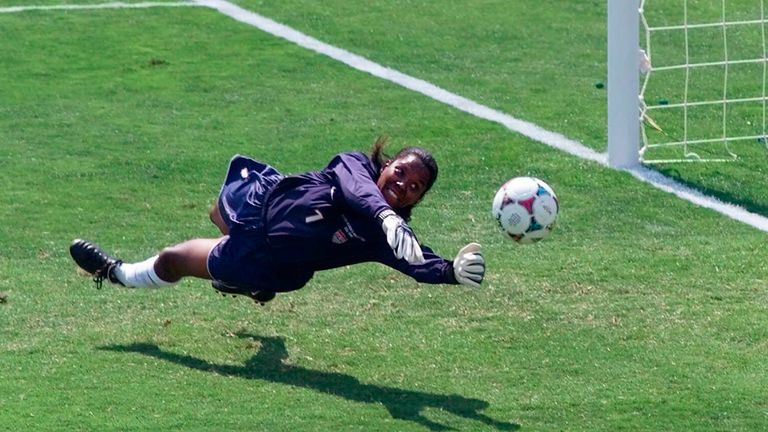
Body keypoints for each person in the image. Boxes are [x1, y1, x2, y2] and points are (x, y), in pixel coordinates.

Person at [70, 136, 485, 305]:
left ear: (421, 198)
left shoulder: (385, 237)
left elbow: (418, 263)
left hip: (266, 257)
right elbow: (358, 188)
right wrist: (386, 215)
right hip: (261, 201)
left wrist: (452, 271)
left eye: (415, 187)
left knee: (173, 258)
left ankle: (116, 272)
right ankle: (246, 281)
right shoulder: (354, 166)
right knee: (217, 210)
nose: (403, 186)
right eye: (401, 173)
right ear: (388, 162)